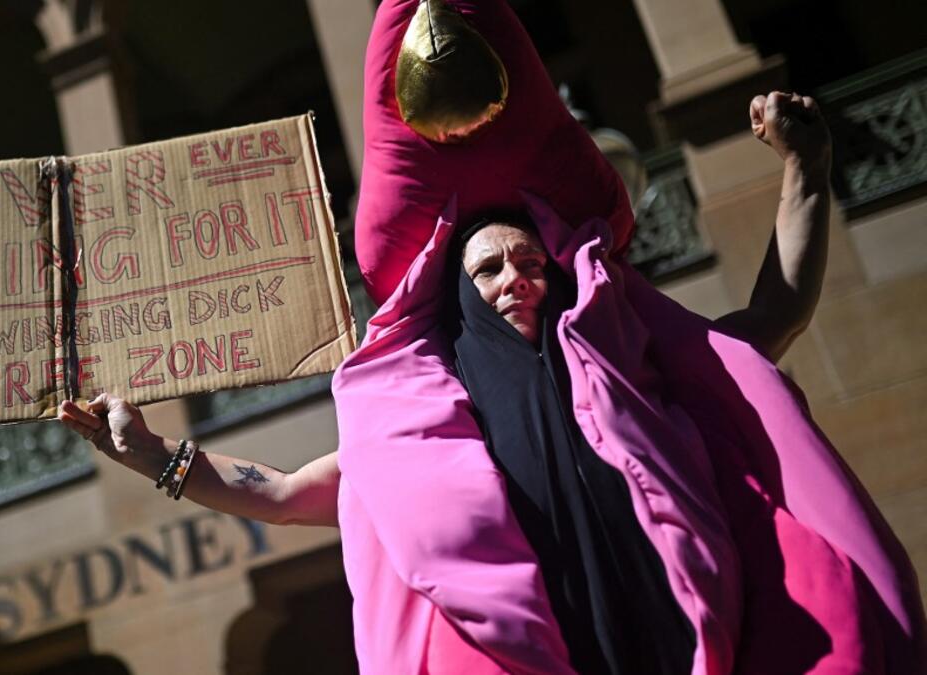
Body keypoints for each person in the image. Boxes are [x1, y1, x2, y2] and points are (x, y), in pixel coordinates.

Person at [57, 92, 927, 673]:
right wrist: (152, 455)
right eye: (488, 270)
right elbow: (283, 492)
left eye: (528, 260)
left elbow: (770, 321)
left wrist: (805, 172)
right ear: (458, 296)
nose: (515, 278)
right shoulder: (431, 429)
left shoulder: (634, 368)